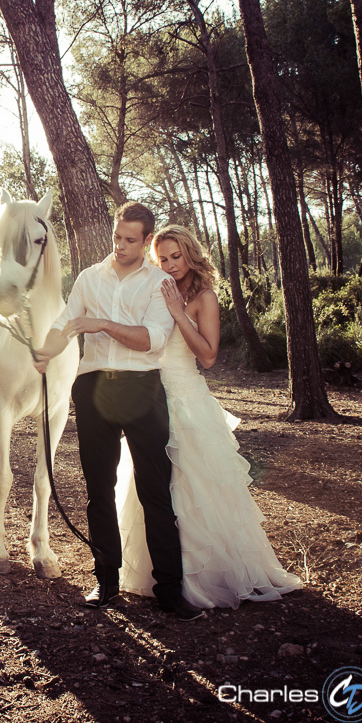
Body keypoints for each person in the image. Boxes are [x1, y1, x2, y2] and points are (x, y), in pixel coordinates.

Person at [115, 225, 303, 609]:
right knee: (152, 486)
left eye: (175, 257)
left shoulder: (205, 298)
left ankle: (213, 573)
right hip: (150, 397)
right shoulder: (155, 288)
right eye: (162, 259)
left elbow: (209, 356)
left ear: (190, 254)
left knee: (195, 486)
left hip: (187, 400)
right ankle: (158, 573)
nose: (168, 265)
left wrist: (177, 313)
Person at [34, 203, 205, 621]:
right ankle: (106, 581)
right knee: (98, 490)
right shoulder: (89, 278)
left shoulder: (160, 282)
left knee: (155, 491)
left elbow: (152, 340)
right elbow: (65, 323)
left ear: (147, 240)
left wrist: (102, 324)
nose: (122, 246)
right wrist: (45, 350)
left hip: (143, 390)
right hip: (93, 389)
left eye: (131, 240)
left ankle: (170, 591)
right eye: (117, 237)